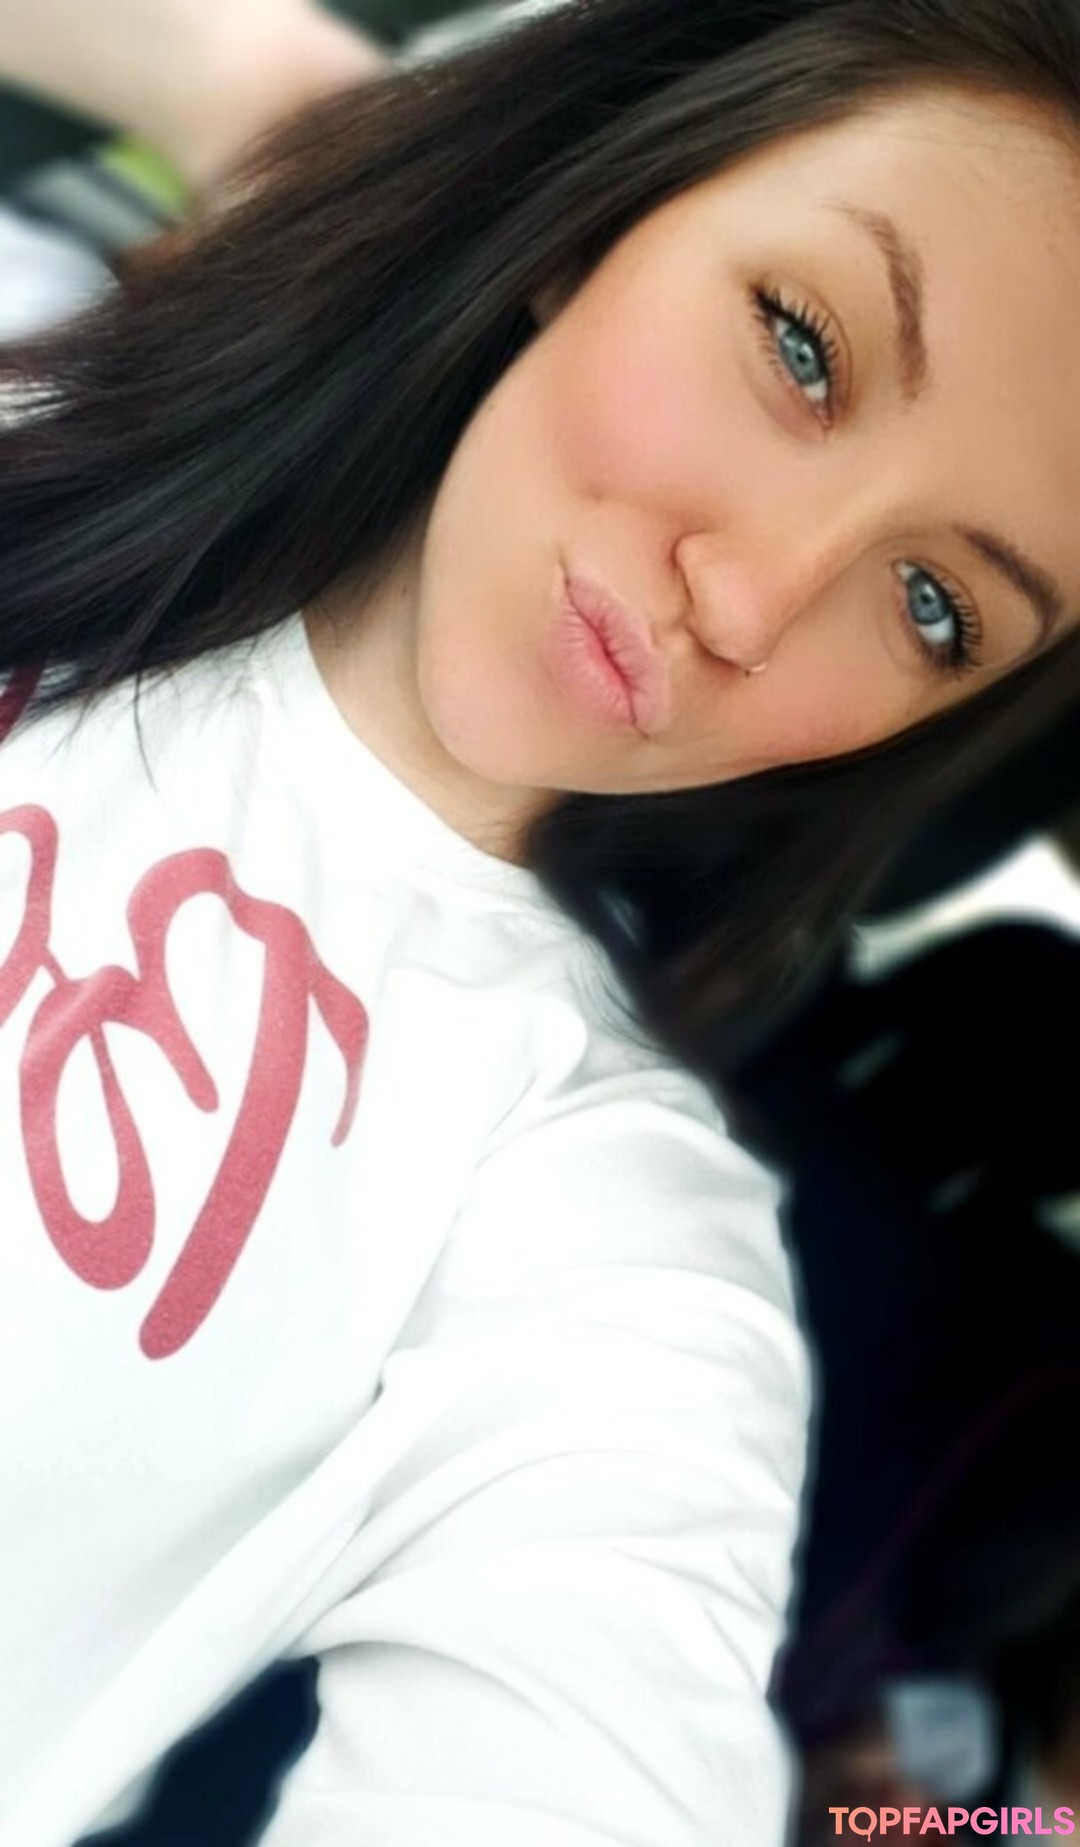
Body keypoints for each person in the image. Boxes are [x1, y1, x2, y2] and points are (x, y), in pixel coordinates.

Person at [1, 1, 1080, 1843]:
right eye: (802, 345)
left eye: (930, 606)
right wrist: (265, 88)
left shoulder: (596, 1228)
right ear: (605, 206)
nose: (753, 598)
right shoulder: (46, 379)